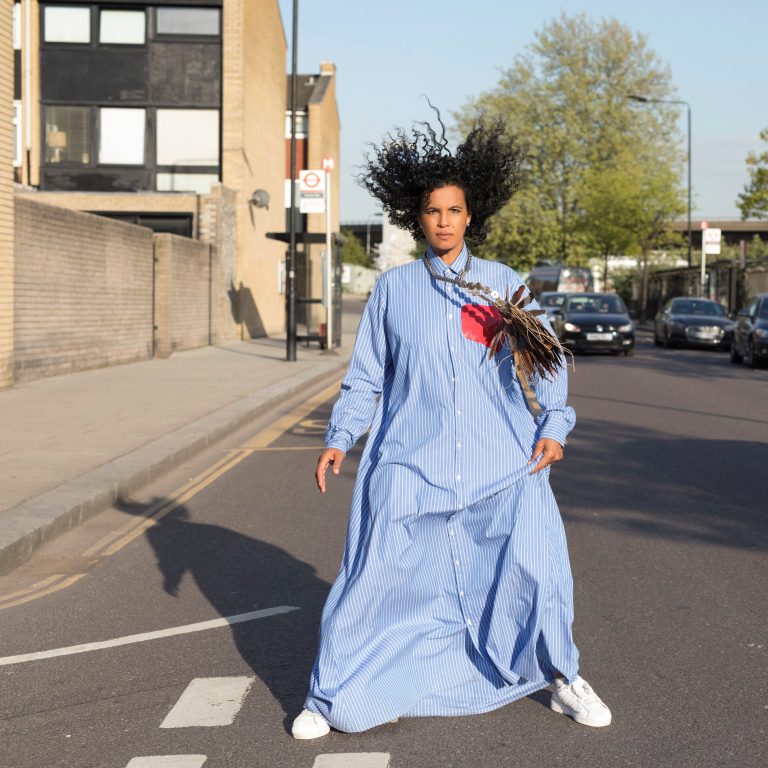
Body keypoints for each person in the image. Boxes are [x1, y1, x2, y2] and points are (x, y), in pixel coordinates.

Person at [291, 112, 611, 739]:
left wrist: (555, 424)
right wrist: (340, 437)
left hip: (503, 462)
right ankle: (327, 696)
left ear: (471, 216)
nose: (443, 220)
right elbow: (367, 377)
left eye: (454, 210)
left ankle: (562, 676)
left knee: (538, 570)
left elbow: (546, 363)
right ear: (419, 218)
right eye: (432, 210)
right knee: (373, 574)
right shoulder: (394, 290)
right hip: (412, 462)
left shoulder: (503, 286)